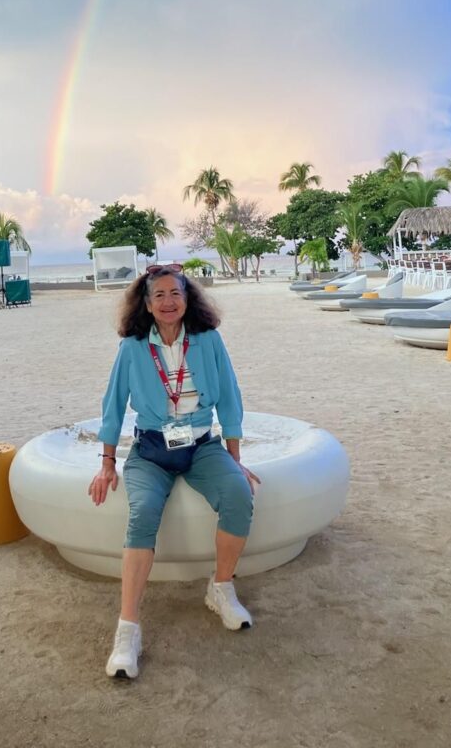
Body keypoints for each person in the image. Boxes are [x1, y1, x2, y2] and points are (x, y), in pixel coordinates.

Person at [88, 264, 260, 679]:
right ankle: (128, 630)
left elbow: (230, 399)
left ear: (188, 299)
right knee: (143, 512)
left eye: (176, 294)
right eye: (159, 295)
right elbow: (113, 405)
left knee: (238, 493)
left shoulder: (208, 340)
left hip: (202, 447)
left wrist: (234, 459)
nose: (169, 302)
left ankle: (221, 588)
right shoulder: (132, 347)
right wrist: (107, 463)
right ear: (147, 305)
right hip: (151, 451)